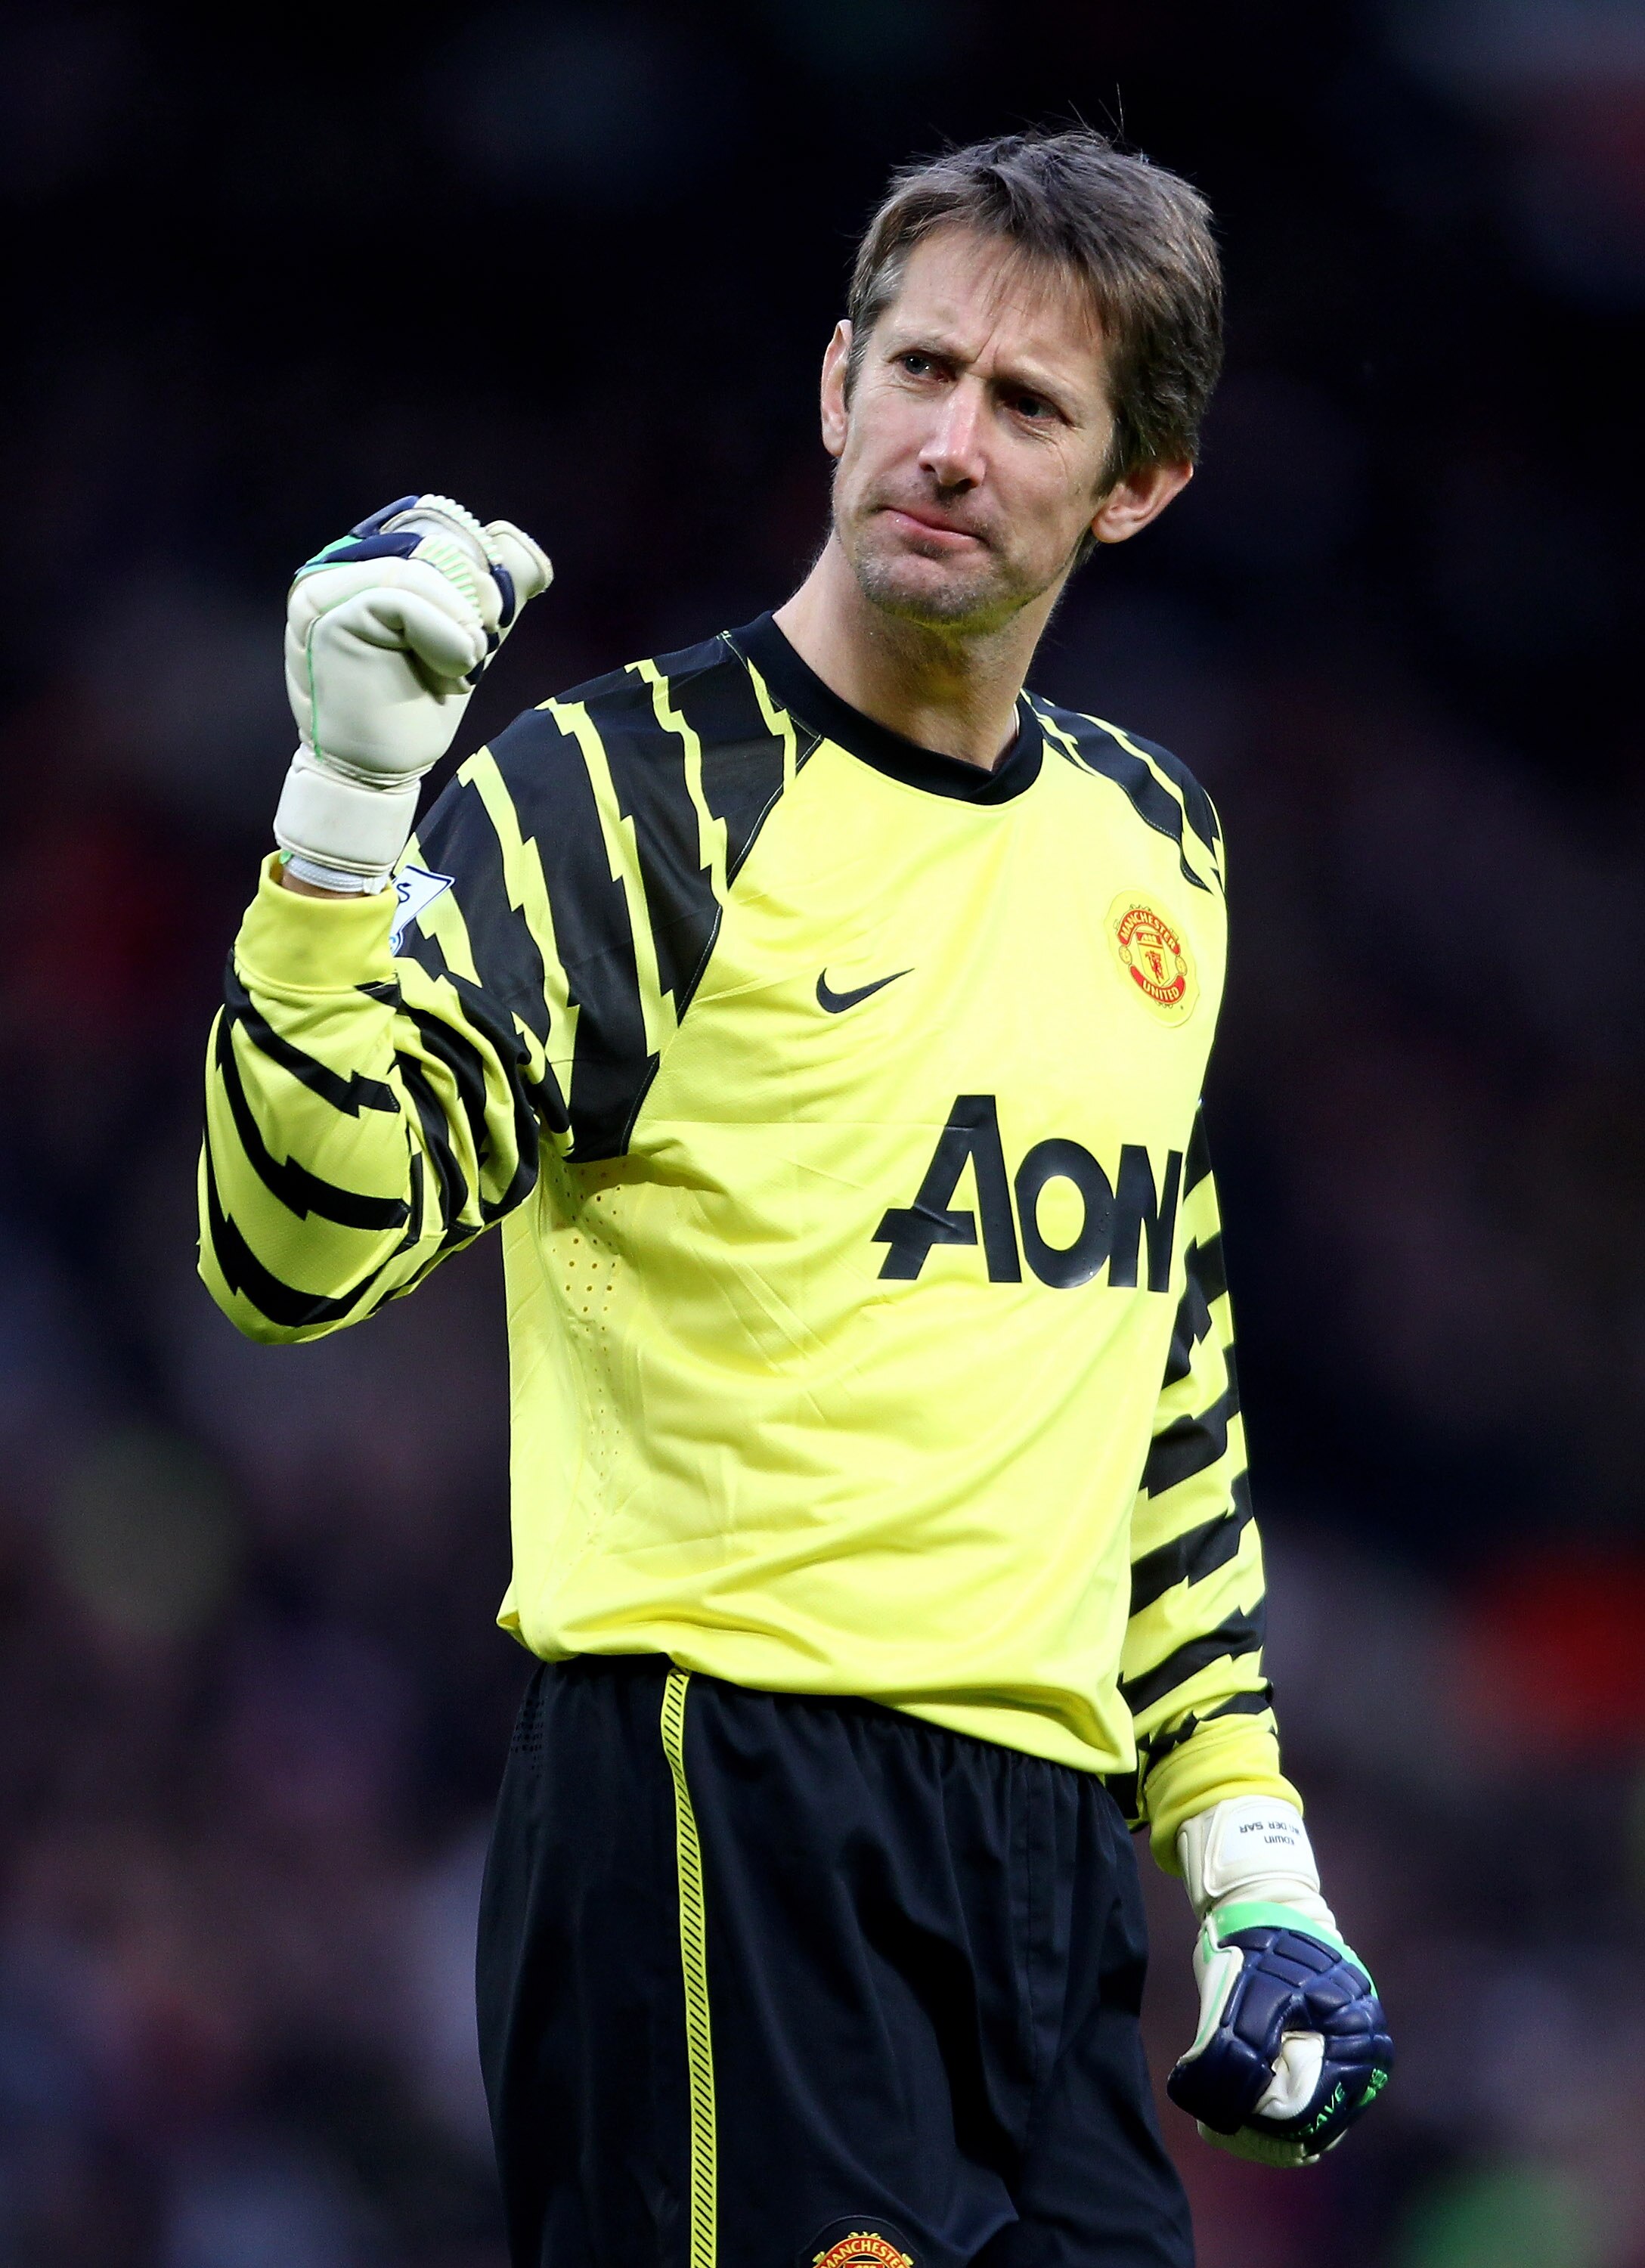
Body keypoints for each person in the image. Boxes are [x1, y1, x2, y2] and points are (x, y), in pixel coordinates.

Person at [200, 129, 1390, 2268]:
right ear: (833, 384)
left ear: (1143, 482)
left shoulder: (1158, 849)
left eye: (1029, 405)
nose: (950, 441)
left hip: (1047, 1875)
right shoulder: (618, 792)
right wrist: (347, 813)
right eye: (919, 369)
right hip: (712, 1809)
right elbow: (292, 1251)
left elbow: (1160, 1390)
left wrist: (1252, 1863)